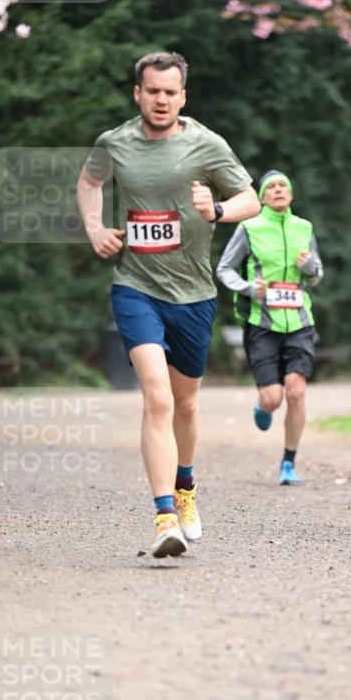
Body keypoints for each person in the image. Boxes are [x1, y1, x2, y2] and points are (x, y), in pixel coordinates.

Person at [77, 51, 260, 558]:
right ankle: (163, 519)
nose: (161, 99)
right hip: (135, 286)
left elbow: (252, 200)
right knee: (156, 398)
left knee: (186, 402)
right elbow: (89, 182)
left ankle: (185, 488)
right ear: (138, 93)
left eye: (170, 92)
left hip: (195, 294)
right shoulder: (114, 143)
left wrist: (218, 209)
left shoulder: (206, 144)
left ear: (183, 96)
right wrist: (95, 228)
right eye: (152, 90)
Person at [216, 170, 324, 485]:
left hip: (300, 322)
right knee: (273, 398)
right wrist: (249, 288)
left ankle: (288, 464)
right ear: (262, 197)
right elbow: (224, 268)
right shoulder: (249, 228)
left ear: (290, 194)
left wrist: (310, 268)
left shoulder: (304, 227)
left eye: (283, 186)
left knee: (297, 391)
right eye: (271, 187)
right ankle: (263, 406)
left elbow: (316, 275)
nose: (278, 189)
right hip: (261, 324)